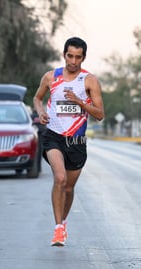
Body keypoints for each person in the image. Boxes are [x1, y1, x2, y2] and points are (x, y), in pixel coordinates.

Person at [33, 37, 104, 247]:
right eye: (70, 56)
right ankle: (57, 229)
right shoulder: (50, 77)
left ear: (83, 58)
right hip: (53, 135)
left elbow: (100, 114)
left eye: (78, 57)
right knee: (60, 178)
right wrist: (41, 113)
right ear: (64, 54)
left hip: (77, 141)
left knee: (69, 189)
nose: (73, 61)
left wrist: (79, 101)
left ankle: (63, 222)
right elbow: (37, 98)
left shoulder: (89, 81)